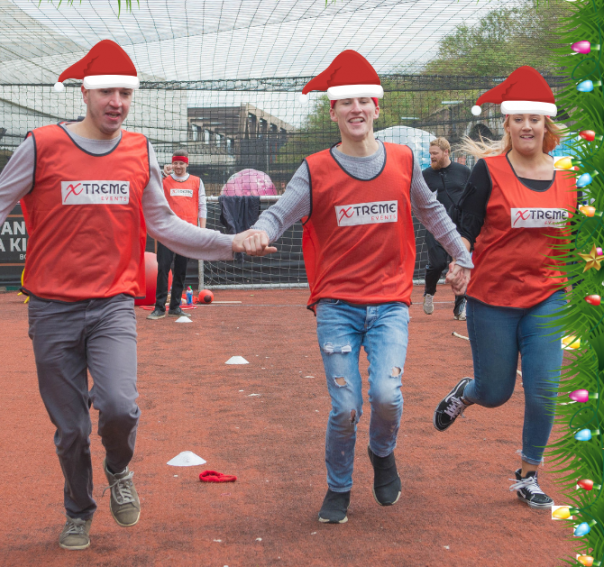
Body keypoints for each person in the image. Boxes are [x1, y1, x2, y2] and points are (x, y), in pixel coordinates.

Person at [0, 39, 265, 551]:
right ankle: (78, 509)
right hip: (50, 308)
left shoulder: (140, 150)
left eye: (125, 93)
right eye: (107, 91)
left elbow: (165, 225)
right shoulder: (42, 144)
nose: (117, 101)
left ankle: (118, 469)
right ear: (85, 92)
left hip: (113, 303)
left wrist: (230, 243)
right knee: (70, 429)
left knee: (119, 406)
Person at [240, 50, 473, 524]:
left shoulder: (405, 161)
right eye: (345, 101)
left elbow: (432, 214)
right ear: (333, 111)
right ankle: (338, 486)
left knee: (387, 396)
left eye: (363, 100)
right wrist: (260, 231)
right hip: (337, 306)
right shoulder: (315, 169)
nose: (356, 109)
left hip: (389, 303)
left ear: (376, 107)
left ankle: (382, 453)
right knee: (345, 405)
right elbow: (280, 212)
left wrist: (462, 256)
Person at [433, 66, 574, 509]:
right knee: (496, 392)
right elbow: (466, 226)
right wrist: (460, 262)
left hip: (549, 296)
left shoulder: (572, 175)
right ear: (508, 125)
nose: (528, 125)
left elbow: (586, 237)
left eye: (536, 118)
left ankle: (528, 474)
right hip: (492, 297)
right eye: (519, 118)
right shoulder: (488, 170)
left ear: (546, 123)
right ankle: (466, 392)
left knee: (545, 387)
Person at [148, 149, 207, 319]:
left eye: (181, 163)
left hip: (187, 233)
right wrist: (161, 174)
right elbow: (150, 185)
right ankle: (159, 307)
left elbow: (202, 206)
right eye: (175, 163)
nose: (178, 166)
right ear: (172, 164)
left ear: (187, 163)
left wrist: (201, 231)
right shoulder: (164, 181)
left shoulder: (196, 182)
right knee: (163, 269)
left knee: (181, 270)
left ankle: (175, 305)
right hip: (167, 232)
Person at [422, 137, 471, 319]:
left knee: (459, 265)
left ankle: (460, 308)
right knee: (438, 264)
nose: (431, 157)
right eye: (430, 153)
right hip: (436, 226)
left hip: (460, 228)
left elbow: (474, 194)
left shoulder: (464, 171)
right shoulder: (425, 175)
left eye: (435, 153)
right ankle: (429, 292)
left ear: (446, 152)